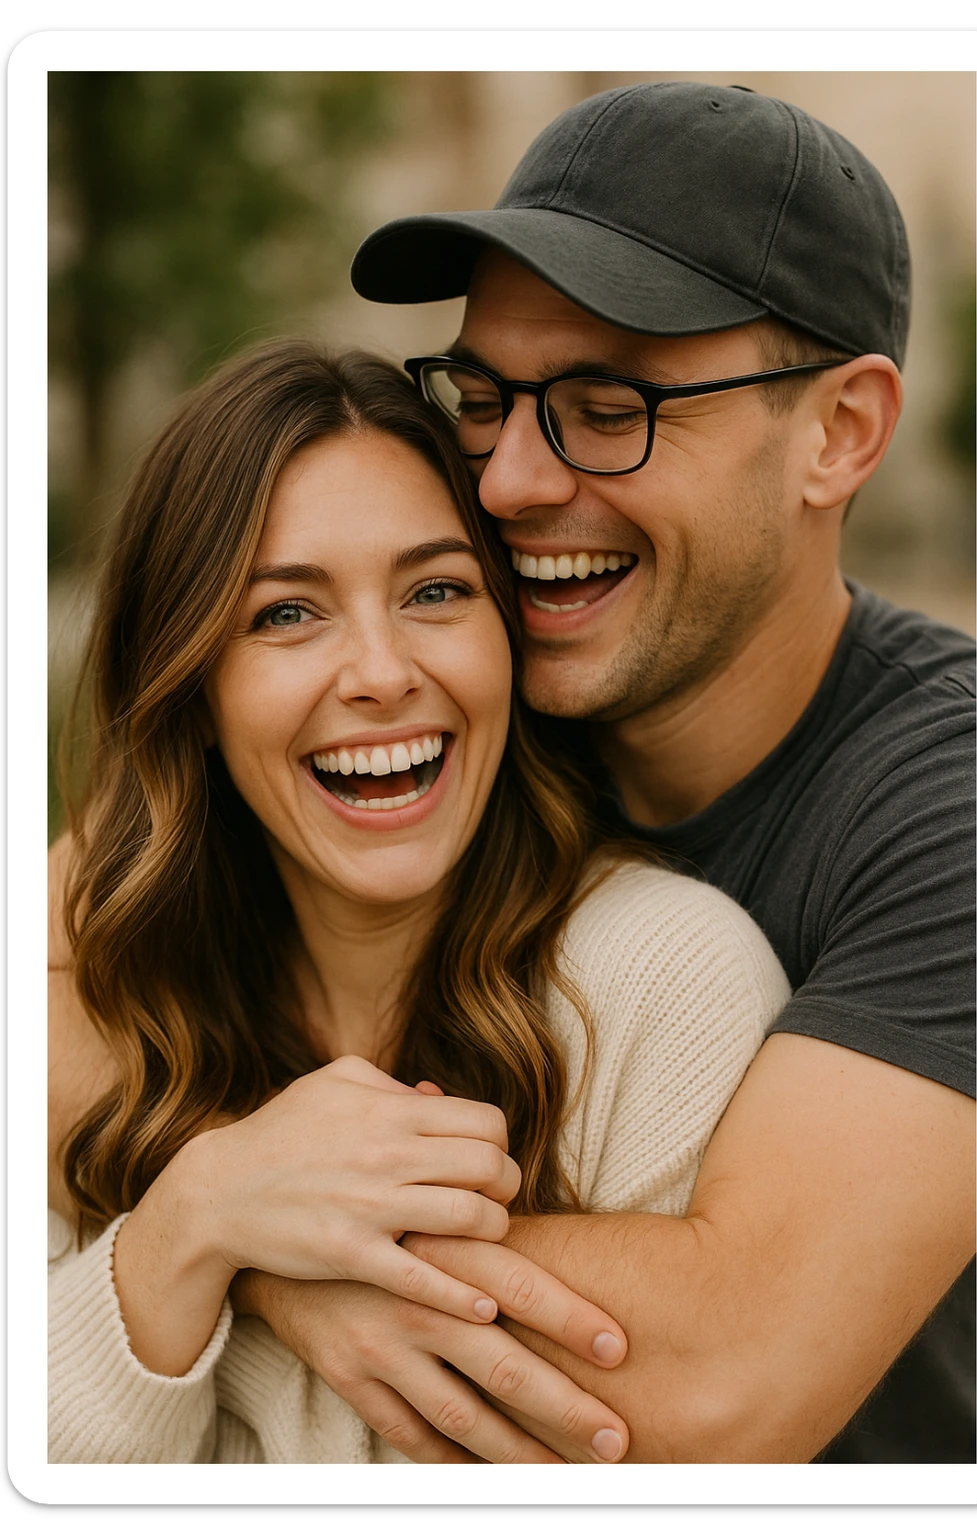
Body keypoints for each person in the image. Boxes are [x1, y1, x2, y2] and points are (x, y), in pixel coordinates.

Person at [218, 81, 976, 1464]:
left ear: (841, 434)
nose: (507, 480)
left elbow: (722, 1372)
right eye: (486, 397)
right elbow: (74, 972)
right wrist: (213, 1202)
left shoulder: (964, 807)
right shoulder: (432, 706)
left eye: (606, 404)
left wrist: (260, 1249)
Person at [48, 340, 791, 1463]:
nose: (382, 671)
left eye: (437, 591)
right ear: (192, 687)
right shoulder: (105, 998)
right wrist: (190, 1222)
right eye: (287, 615)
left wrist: (249, 1271)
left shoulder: (657, 982)